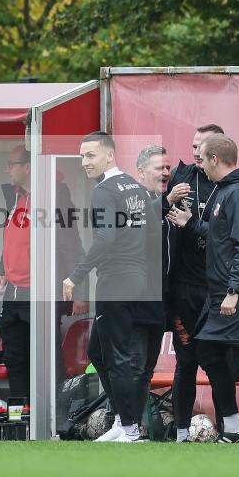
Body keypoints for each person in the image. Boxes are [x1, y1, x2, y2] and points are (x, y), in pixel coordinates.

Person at [168, 134, 239, 443]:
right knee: (208, 351)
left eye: (200, 156)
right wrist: (190, 223)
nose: (196, 161)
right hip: (221, 295)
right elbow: (219, 239)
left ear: (215, 159)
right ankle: (231, 428)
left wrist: (234, 290)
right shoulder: (225, 192)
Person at [62, 131, 161, 443]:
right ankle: (121, 420)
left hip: (115, 280)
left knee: (115, 355)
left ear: (109, 155)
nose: (84, 162)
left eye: (90, 155)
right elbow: (154, 235)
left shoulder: (105, 190)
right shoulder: (136, 186)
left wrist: (75, 276)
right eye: (81, 156)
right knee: (98, 351)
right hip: (137, 279)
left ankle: (131, 430)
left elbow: (105, 239)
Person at [0, 145, 88, 399]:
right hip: (14, 293)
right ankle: (21, 417)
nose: (7, 169)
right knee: (15, 357)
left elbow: (72, 244)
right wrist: (2, 269)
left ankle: (53, 418)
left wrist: (80, 290)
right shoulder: (14, 197)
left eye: (11, 164)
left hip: (41, 291)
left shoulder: (55, 196)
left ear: (27, 167)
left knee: (46, 358)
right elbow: (12, 237)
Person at [165, 123, 224, 442]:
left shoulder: (230, 186)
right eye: (192, 146)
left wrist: (194, 224)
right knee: (186, 361)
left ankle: (230, 429)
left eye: (201, 146)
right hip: (184, 291)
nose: (195, 151)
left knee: (217, 364)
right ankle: (181, 432)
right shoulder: (180, 178)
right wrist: (167, 197)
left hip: (215, 290)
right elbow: (153, 213)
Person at [132, 145, 177, 433]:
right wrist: (164, 203)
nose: (165, 172)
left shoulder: (166, 203)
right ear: (140, 172)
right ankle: (126, 425)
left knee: (146, 367)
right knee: (132, 367)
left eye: (167, 167)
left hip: (159, 301)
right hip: (134, 301)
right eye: (158, 167)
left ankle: (136, 427)